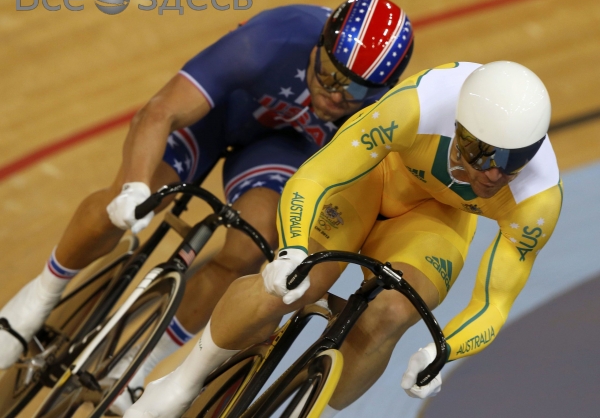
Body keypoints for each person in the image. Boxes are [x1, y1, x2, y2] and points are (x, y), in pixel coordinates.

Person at [0, 0, 414, 413]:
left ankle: (137, 365)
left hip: (283, 148)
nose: (336, 95)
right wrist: (135, 190)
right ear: (317, 45)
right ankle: (37, 299)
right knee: (126, 199)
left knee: (250, 247)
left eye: (356, 89)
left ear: (383, 89)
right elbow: (159, 113)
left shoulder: (385, 113)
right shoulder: (275, 38)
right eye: (328, 73)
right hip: (216, 117)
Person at [124, 60, 563, 417]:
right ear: (459, 127)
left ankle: (313, 411)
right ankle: (179, 386)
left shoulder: (538, 199)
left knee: (393, 311)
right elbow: (318, 175)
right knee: (298, 283)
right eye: (483, 155)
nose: (494, 175)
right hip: (373, 179)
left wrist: (444, 351)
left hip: (436, 221)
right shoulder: (418, 106)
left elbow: (493, 303)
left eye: (514, 162)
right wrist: (292, 248)